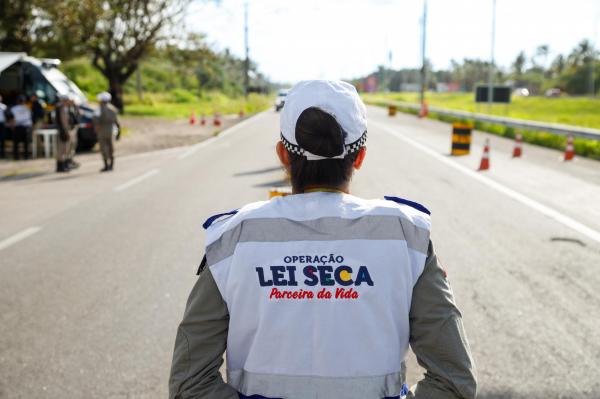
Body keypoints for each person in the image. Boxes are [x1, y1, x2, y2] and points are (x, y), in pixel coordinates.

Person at [168, 80, 477, 399]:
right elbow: (454, 381)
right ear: (359, 158)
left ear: (283, 156)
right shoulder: (406, 236)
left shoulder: (232, 238)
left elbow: (189, 384)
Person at [93, 92, 120, 172]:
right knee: (111, 147)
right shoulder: (113, 108)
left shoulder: (99, 109)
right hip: (111, 130)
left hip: (102, 130)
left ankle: (106, 165)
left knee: (103, 148)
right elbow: (117, 122)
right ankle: (111, 164)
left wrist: (96, 130)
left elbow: (96, 121)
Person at [9, 95, 32, 160]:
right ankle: (26, 157)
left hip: (17, 126)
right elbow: (30, 117)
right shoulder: (28, 107)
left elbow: (12, 118)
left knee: (16, 143)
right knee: (26, 143)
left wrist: (12, 126)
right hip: (26, 126)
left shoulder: (14, 108)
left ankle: (16, 157)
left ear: (17, 101)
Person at [54, 94, 73, 172]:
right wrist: (66, 131)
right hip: (63, 131)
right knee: (62, 149)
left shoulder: (62, 107)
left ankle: (62, 165)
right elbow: (63, 121)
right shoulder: (61, 107)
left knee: (63, 149)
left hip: (62, 130)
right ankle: (61, 166)